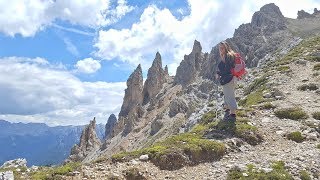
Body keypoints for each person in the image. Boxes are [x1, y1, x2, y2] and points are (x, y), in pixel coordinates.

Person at [215, 41, 238, 122]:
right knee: (227, 94)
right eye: (220, 48)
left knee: (229, 96)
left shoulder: (228, 56)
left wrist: (219, 73)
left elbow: (227, 69)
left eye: (222, 47)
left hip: (229, 79)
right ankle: (227, 110)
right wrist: (218, 73)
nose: (220, 49)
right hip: (228, 79)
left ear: (226, 47)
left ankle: (233, 114)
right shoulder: (226, 56)